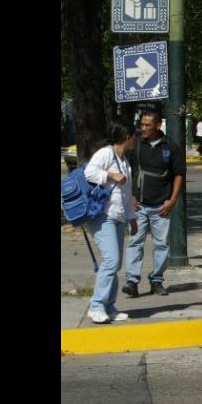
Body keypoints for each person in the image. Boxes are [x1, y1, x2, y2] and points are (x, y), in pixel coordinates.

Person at [122, 111, 186, 297]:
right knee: (135, 242)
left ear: (158, 125)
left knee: (161, 245)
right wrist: (130, 196)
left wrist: (172, 201)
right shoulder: (136, 144)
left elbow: (179, 174)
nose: (143, 128)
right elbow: (125, 171)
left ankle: (156, 280)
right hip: (139, 205)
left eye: (147, 125)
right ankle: (132, 281)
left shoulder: (170, 146)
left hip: (161, 207)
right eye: (141, 124)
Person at [83, 120, 139, 323]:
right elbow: (89, 172)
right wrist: (111, 175)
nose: (136, 139)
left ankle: (108, 306)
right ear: (127, 137)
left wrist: (132, 219)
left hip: (118, 216)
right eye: (134, 135)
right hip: (102, 215)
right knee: (111, 261)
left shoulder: (125, 161)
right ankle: (96, 306)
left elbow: (127, 194)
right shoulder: (106, 153)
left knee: (115, 264)